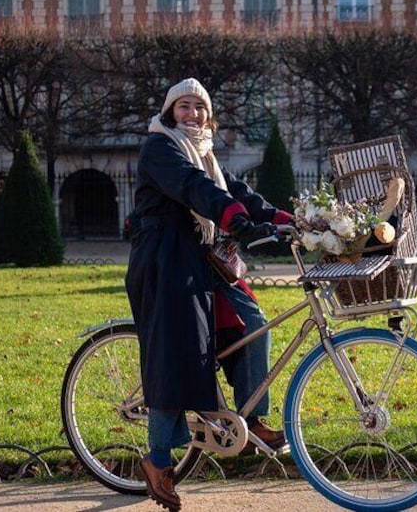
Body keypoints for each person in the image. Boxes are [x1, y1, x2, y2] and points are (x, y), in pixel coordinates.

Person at [125, 78, 293, 511]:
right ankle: (159, 460)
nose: (193, 114)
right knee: (178, 354)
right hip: (166, 261)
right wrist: (235, 219)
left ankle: (251, 419)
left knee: (253, 322)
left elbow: (234, 192)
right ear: (169, 113)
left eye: (200, 107)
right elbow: (194, 188)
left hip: (203, 258)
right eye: (185, 106)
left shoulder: (205, 153)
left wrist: (289, 221)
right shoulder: (161, 148)